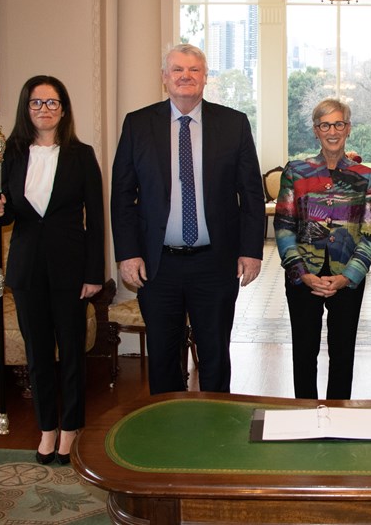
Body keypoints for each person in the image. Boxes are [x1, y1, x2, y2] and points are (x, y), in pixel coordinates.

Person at [111, 44, 265, 395]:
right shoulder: (138, 124)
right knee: (163, 355)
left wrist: (251, 250)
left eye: (194, 70)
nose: (186, 76)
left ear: (205, 78)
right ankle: (165, 432)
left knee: (214, 353)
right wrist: (128, 252)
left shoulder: (233, 124)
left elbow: (252, 194)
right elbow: (122, 195)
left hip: (215, 261)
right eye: (178, 70)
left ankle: (216, 428)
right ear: (164, 77)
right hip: (157, 263)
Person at [0, 75, 104, 465]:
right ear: (26, 108)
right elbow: (10, 217)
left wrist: (93, 273)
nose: (44, 109)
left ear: (64, 109)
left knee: (70, 351)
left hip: (70, 268)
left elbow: (96, 219)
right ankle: (47, 428)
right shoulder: (12, 154)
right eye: (37, 103)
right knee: (37, 353)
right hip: (27, 268)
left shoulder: (81, 155)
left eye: (52, 103)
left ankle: (70, 428)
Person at [274, 99, 371, 399]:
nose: (332, 131)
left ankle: (339, 416)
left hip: (347, 278)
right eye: (325, 125)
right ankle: (304, 414)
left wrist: (349, 276)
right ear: (315, 130)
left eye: (338, 124)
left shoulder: (366, 176)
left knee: (343, 354)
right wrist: (301, 273)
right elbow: (283, 227)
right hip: (303, 277)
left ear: (348, 128)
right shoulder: (296, 172)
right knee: (304, 354)